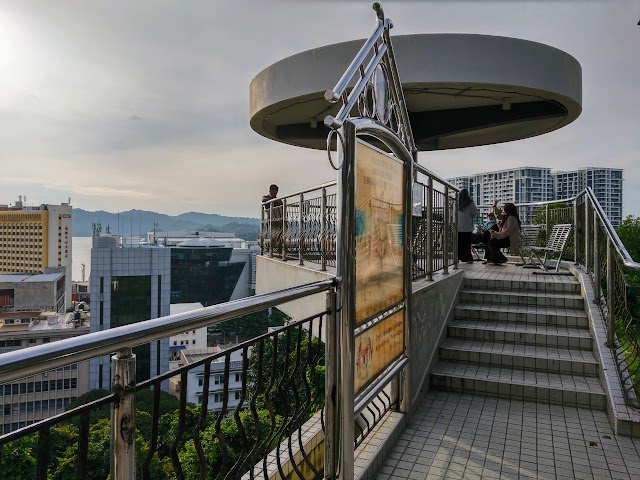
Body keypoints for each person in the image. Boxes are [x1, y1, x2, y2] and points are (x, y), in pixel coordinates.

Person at [457, 189, 478, 263]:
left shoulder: (456, 202)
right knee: (467, 243)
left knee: (459, 243)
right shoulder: (470, 202)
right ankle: (467, 257)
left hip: (458, 226)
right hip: (467, 226)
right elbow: (474, 212)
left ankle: (459, 256)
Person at [262, 184, 283, 253]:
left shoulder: (277, 199)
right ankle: (272, 250)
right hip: (271, 219)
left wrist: (275, 200)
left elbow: (281, 202)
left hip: (279, 219)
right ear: (270, 191)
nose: (275, 193)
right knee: (273, 235)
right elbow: (263, 199)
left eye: (276, 192)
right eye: (273, 191)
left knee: (280, 235)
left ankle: (279, 251)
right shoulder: (266, 197)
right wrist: (273, 200)